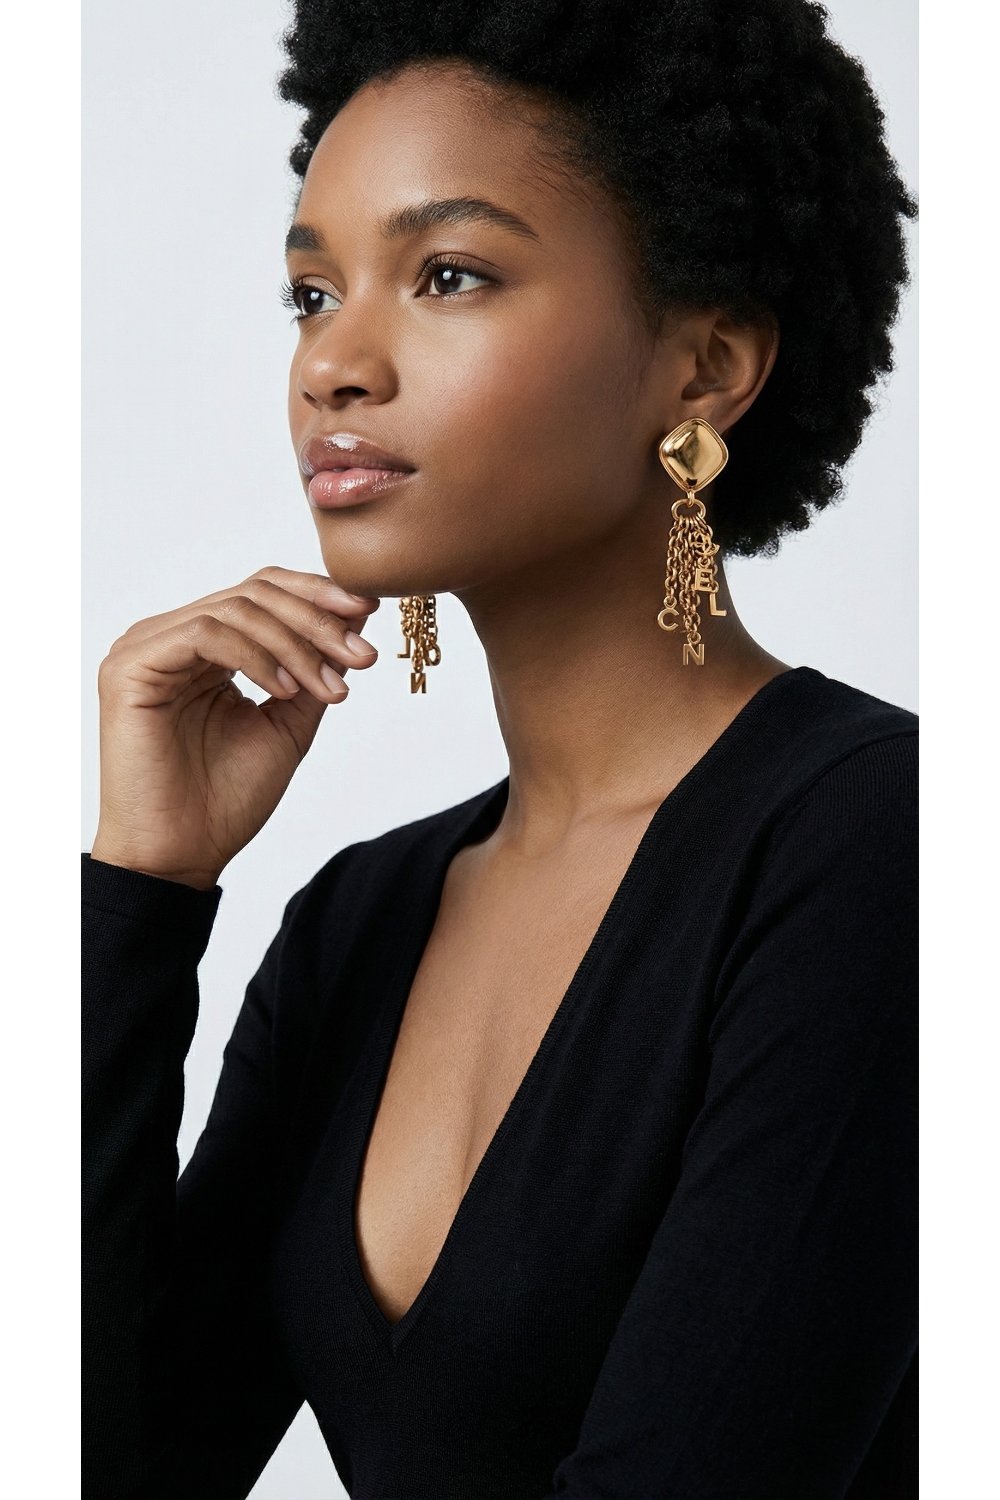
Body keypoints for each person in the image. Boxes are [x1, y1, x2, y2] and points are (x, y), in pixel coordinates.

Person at [81, 2, 918, 1496]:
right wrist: (139, 891)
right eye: (311, 293)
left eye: (448, 275)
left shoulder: (874, 850)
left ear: (706, 367)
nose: (334, 365)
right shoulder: (358, 925)